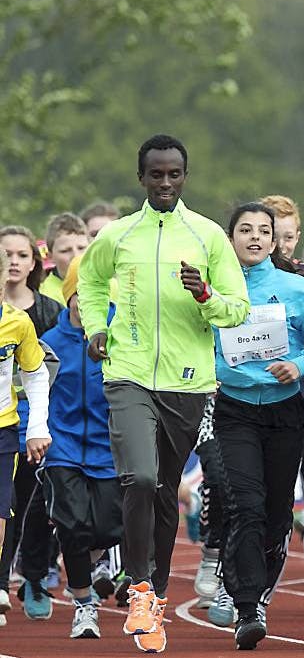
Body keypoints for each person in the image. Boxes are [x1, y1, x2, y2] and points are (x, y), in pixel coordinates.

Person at [77, 134, 250, 653]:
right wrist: (94, 329)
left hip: (187, 379)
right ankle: (141, 588)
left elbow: (235, 310)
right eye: (156, 174)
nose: (165, 183)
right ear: (141, 178)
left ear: (185, 176)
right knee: (141, 475)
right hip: (127, 372)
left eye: (174, 174)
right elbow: (89, 283)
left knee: (164, 489)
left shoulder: (207, 236)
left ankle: (155, 587)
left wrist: (205, 294)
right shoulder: (118, 234)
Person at [211, 202, 304, 649]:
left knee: (275, 512)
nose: (254, 238)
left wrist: (300, 363)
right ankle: (247, 607)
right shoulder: (213, 290)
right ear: (230, 239)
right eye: (244, 230)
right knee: (245, 505)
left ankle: (257, 590)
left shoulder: (294, 289)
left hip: (285, 412)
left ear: (273, 239)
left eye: (263, 231)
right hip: (234, 409)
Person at [39, 256, 124, 639]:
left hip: (109, 448)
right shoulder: (50, 343)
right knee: (72, 526)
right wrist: (34, 431)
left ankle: (96, 557)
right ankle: (84, 605)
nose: (86, 302)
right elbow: (33, 391)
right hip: (63, 446)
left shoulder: (121, 332)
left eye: (96, 293)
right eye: (80, 293)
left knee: (107, 527)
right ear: (70, 294)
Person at [0, 225, 62, 622]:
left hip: (7, 426)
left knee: (4, 513)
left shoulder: (19, 321)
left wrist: (38, 425)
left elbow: (38, 373)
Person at [39, 213, 90, 305]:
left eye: (82, 248)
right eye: (65, 251)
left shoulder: (111, 285)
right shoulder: (45, 297)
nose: (76, 256)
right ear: (50, 256)